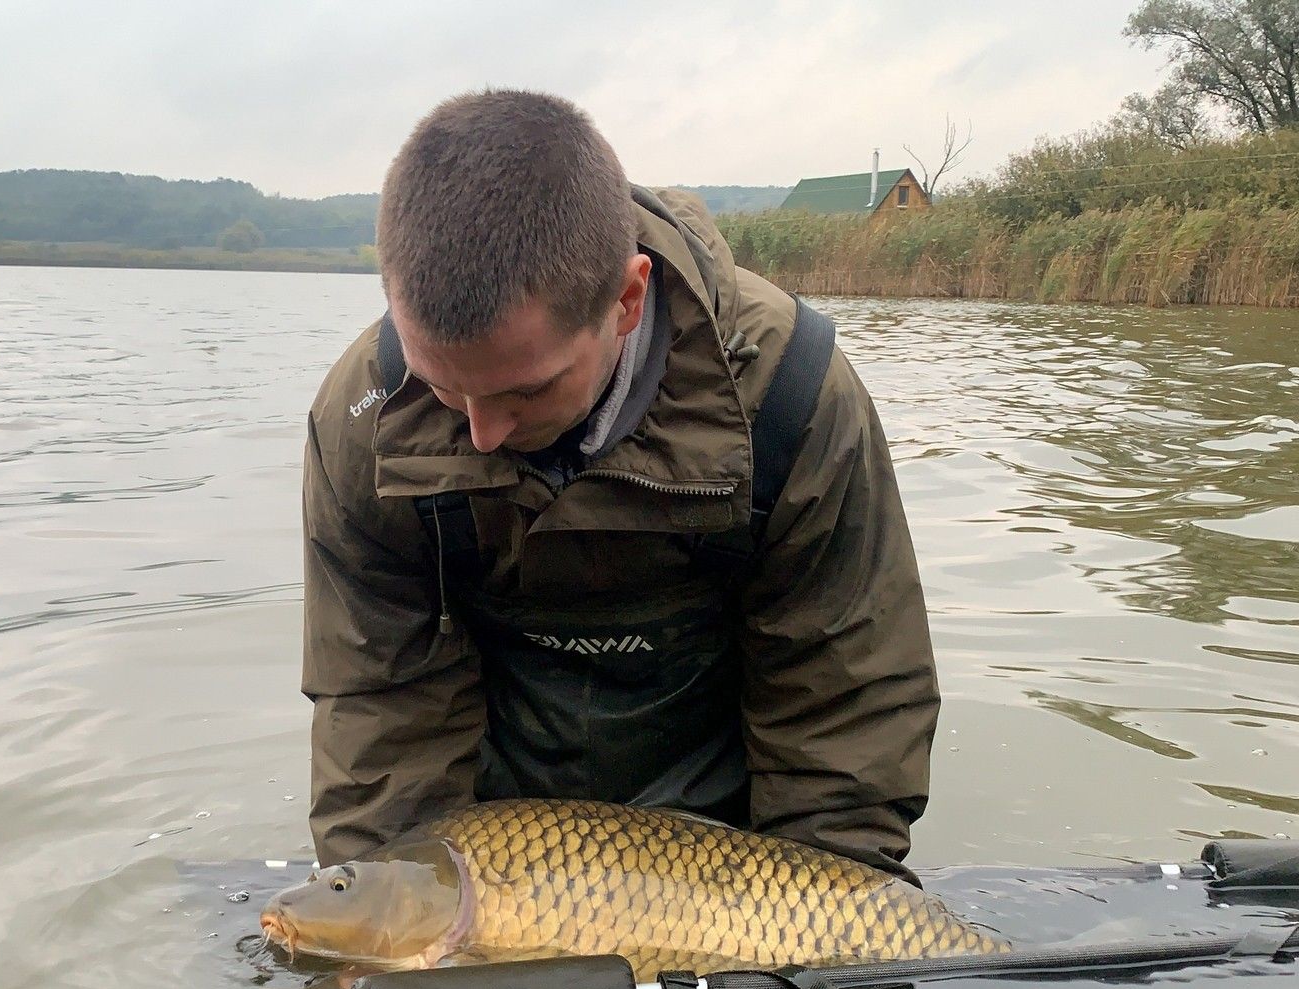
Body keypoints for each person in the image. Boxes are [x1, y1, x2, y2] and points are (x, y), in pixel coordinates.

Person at [300, 89, 939, 884]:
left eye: (523, 391)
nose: (482, 432)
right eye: (442, 385)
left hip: (741, 857)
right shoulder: (365, 421)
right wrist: (389, 927)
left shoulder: (792, 397)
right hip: (489, 865)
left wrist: (819, 932)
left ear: (628, 300)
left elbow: (844, 713)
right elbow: (383, 724)